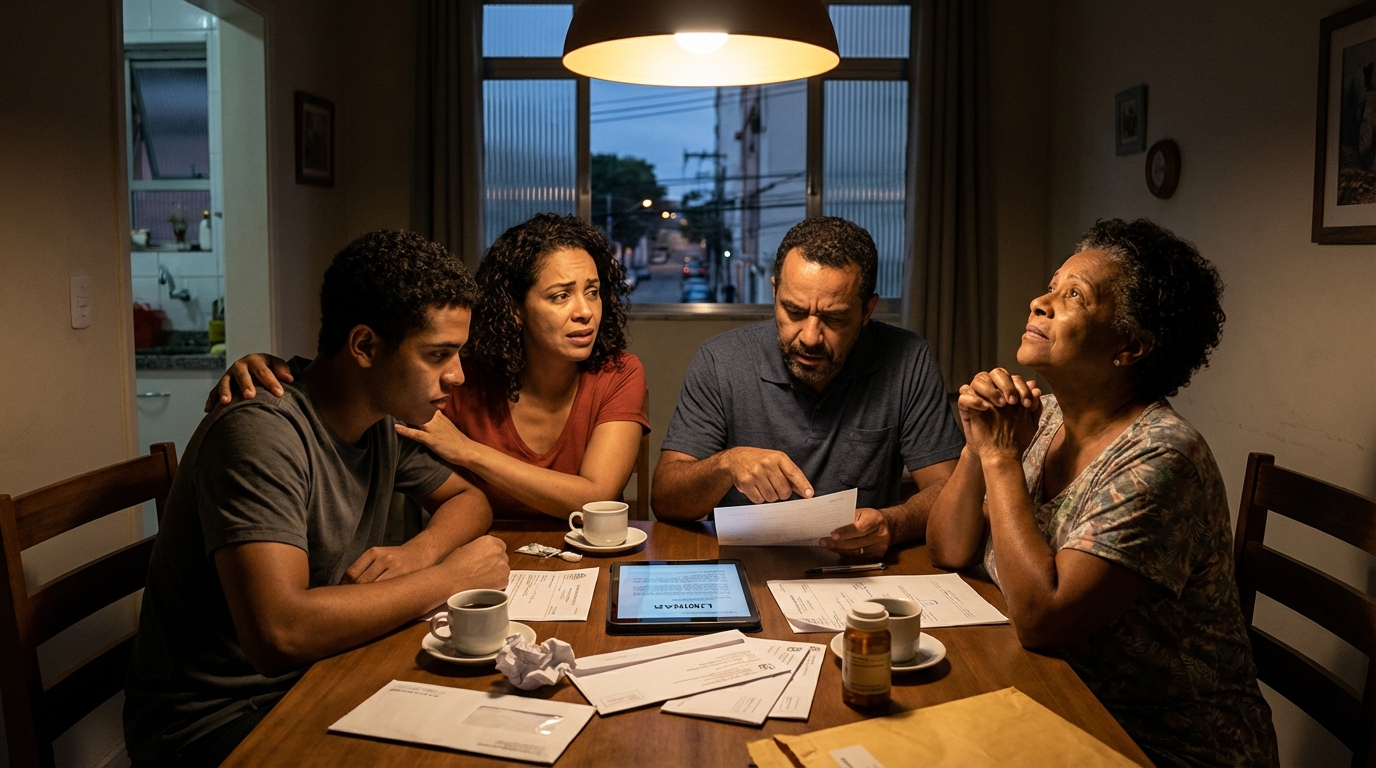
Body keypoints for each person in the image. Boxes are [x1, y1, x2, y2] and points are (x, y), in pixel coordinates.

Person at [126, 231, 509, 766]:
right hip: (217, 721)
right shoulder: (260, 433)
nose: (458, 375)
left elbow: (469, 499)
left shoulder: (380, 418)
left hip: (319, 673)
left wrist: (418, 554)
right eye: (438, 354)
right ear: (365, 346)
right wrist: (450, 579)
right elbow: (279, 632)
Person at [926, 219, 1278, 766]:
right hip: (1053, 696)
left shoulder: (1162, 457)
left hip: (1161, 744)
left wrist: (1000, 457)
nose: (1040, 302)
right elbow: (947, 549)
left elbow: (1042, 620)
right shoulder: (1042, 419)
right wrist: (979, 444)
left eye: (1074, 296)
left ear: (1130, 346)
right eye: (1051, 286)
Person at [209, 213, 648, 521]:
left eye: (593, 291)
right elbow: (357, 378)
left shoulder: (617, 372)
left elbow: (596, 497)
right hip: (488, 562)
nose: (585, 311)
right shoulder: (453, 377)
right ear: (514, 308)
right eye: (560, 295)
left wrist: (466, 449)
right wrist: (272, 368)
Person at [653, 217, 964, 558]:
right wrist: (726, 464)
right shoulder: (721, 360)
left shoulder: (907, 358)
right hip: (744, 564)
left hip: (857, 568)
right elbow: (665, 499)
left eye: (834, 318)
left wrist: (893, 523)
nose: (811, 337)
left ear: (867, 311)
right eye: (794, 311)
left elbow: (950, 490)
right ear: (775, 293)